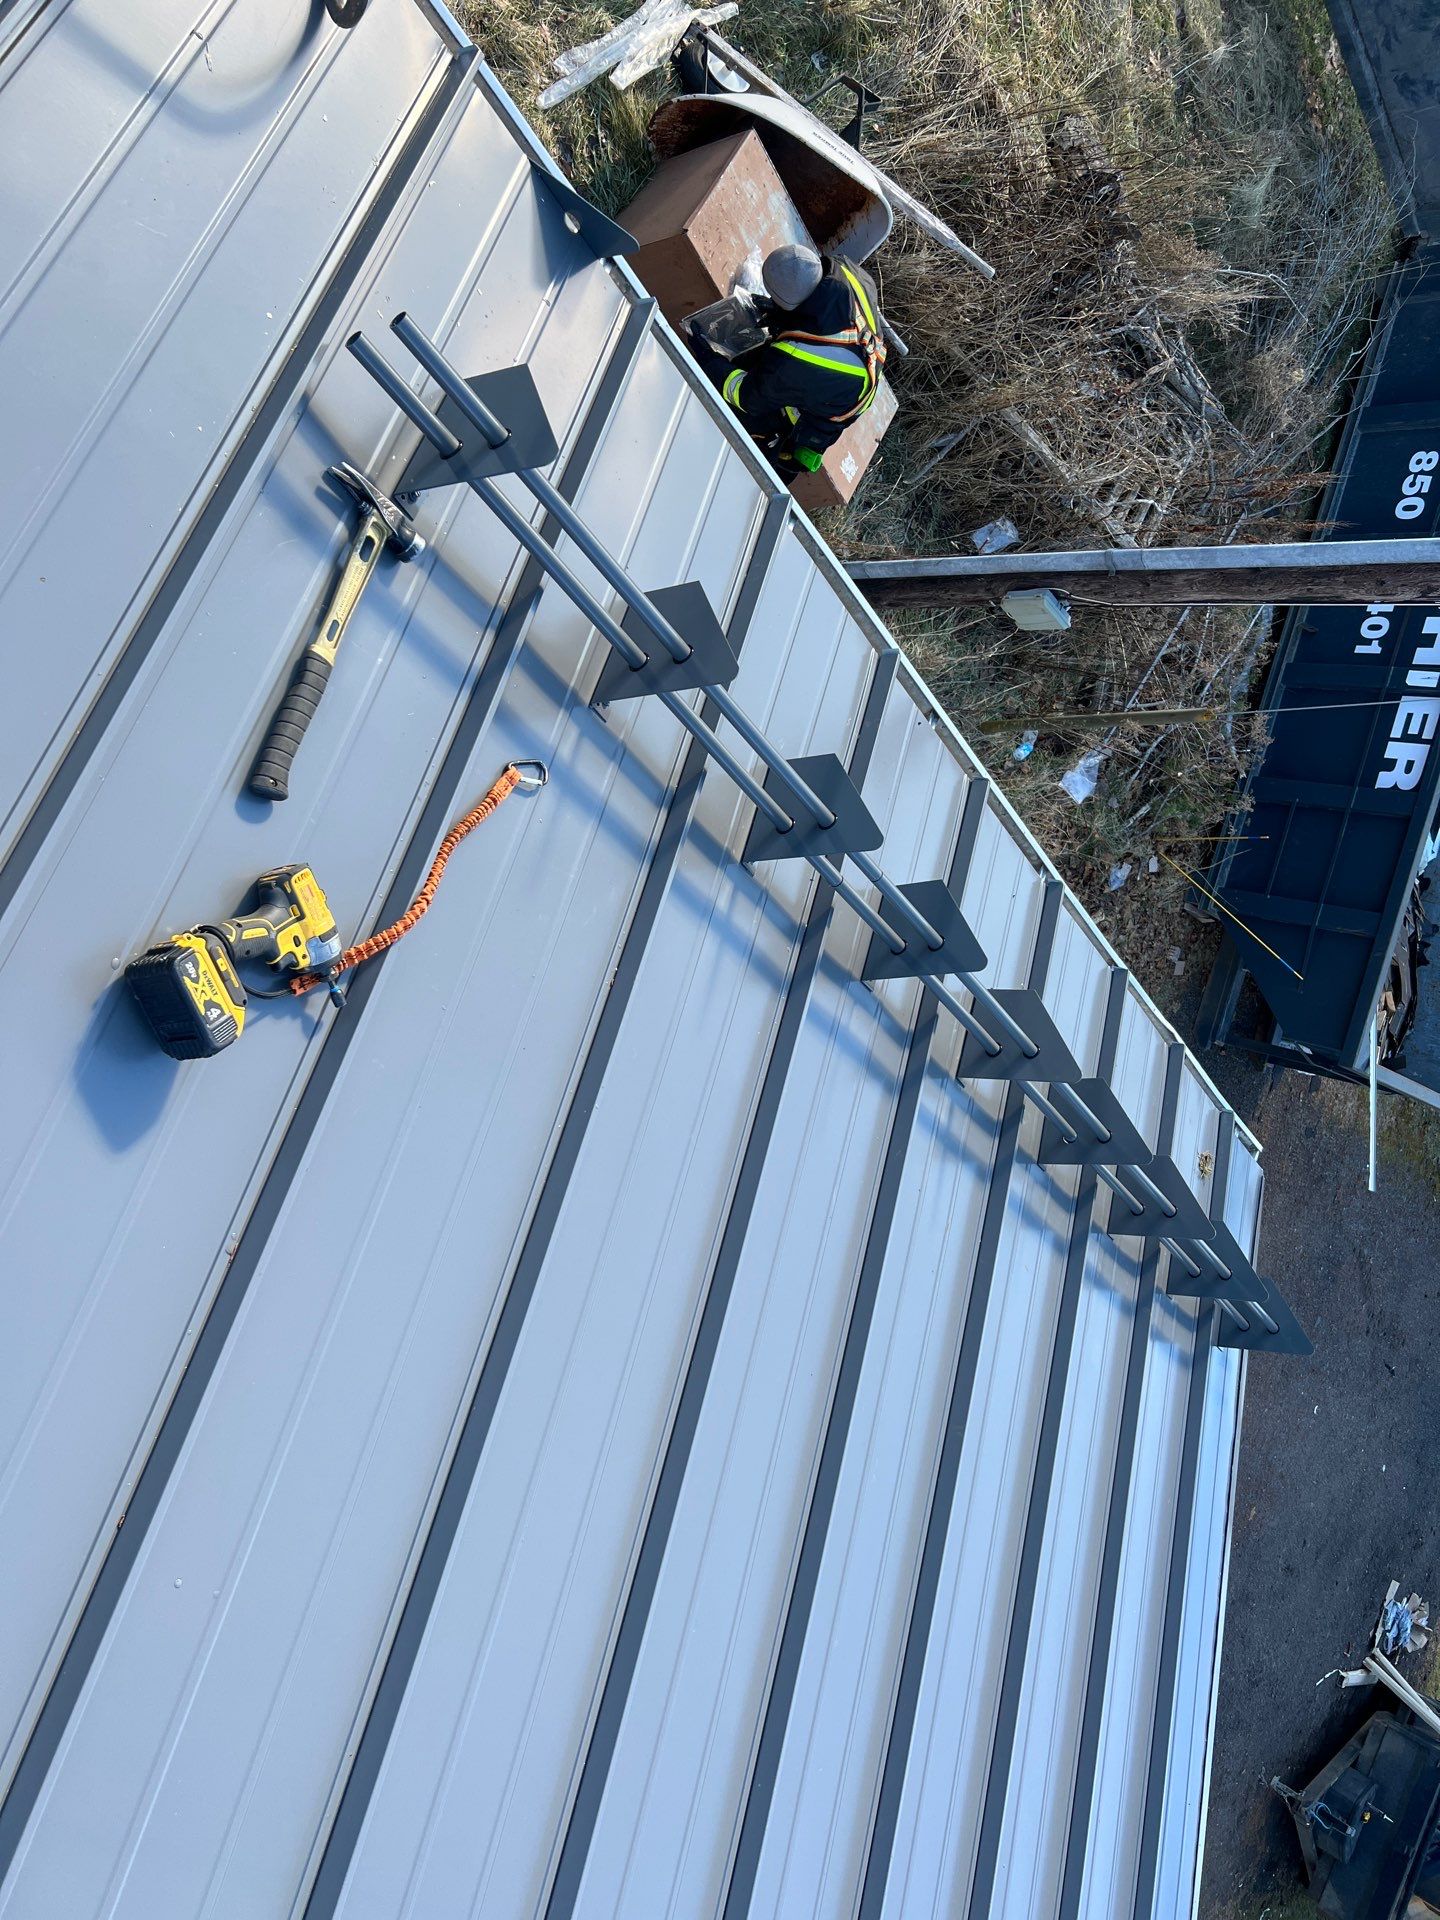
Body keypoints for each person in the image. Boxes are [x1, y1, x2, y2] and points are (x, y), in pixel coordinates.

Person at [691, 244, 887, 481]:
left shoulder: (796, 359)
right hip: (860, 365)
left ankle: (778, 463)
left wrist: (709, 361)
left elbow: (746, 396)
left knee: (774, 451)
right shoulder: (846, 268)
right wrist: (783, 315)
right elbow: (827, 312)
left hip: (825, 409)